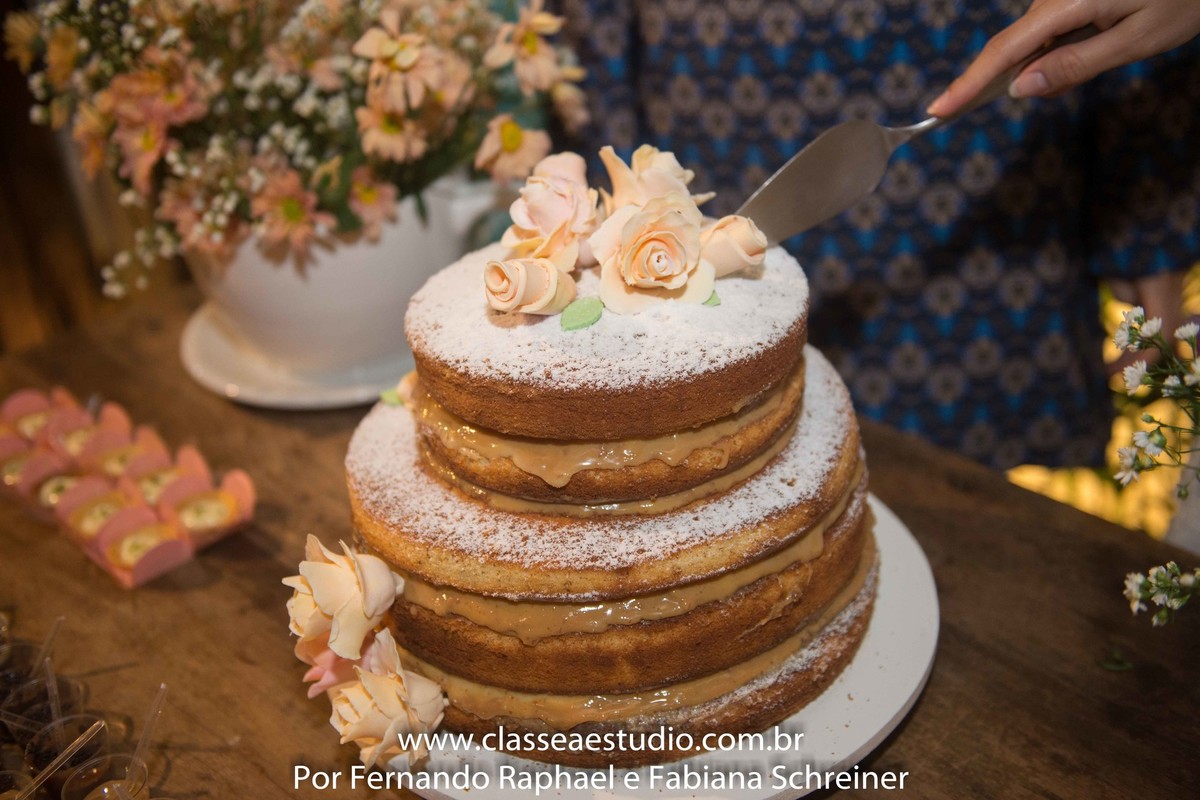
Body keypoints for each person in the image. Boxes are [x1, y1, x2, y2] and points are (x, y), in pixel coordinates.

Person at [554, 0, 1200, 471]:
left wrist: (1150, 231)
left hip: (990, 229)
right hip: (714, 218)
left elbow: (1113, 33)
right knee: (742, 479)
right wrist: (624, 225)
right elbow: (595, 36)